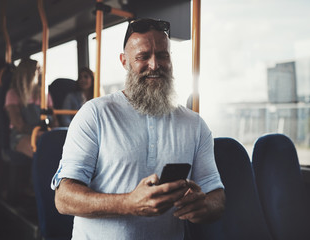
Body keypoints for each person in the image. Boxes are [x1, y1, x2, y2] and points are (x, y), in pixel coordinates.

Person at [52, 18, 225, 240]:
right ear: (124, 61)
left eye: (162, 55)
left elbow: (217, 196)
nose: (155, 65)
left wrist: (204, 206)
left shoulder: (195, 124)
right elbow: (64, 199)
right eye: (143, 57)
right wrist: (128, 203)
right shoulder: (95, 114)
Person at [5, 58, 56, 158]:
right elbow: (18, 124)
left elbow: (54, 119)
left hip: (44, 132)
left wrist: (49, 132)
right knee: (38, 150)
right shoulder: (13, 94)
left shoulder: (45, 94)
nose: (40, 72)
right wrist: (38, 133)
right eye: (37, 69)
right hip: (22, 135)